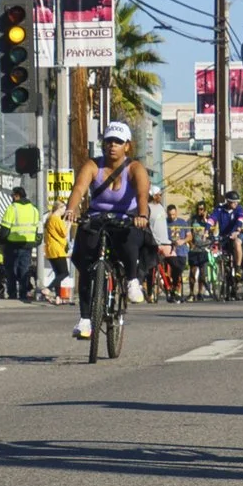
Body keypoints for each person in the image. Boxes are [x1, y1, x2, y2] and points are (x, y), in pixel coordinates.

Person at [65, 121, 152, 340]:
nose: (112, 145)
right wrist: (71, 209)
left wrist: (142, 216)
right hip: (98, 218)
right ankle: (85, 319)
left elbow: (143, 195)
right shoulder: (93, 165)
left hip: (127, 218)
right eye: (109, 141)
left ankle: (132, 280)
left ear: (127, 146)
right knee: (85, 264)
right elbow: (79, 189)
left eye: (118, 142)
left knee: (131, 240)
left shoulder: (135, 168)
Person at [0, 185, 42, 301]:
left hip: (12, 245)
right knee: (24, 270)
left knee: (11, 270)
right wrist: (36, 241)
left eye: (13, 195)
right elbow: (39, 228)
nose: (12, 198)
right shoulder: (34, 209)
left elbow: (5, 229)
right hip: (27, 245)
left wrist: (1, 241)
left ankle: (12, 294)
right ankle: (23, 294)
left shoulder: (12, 208)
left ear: (17, 196)